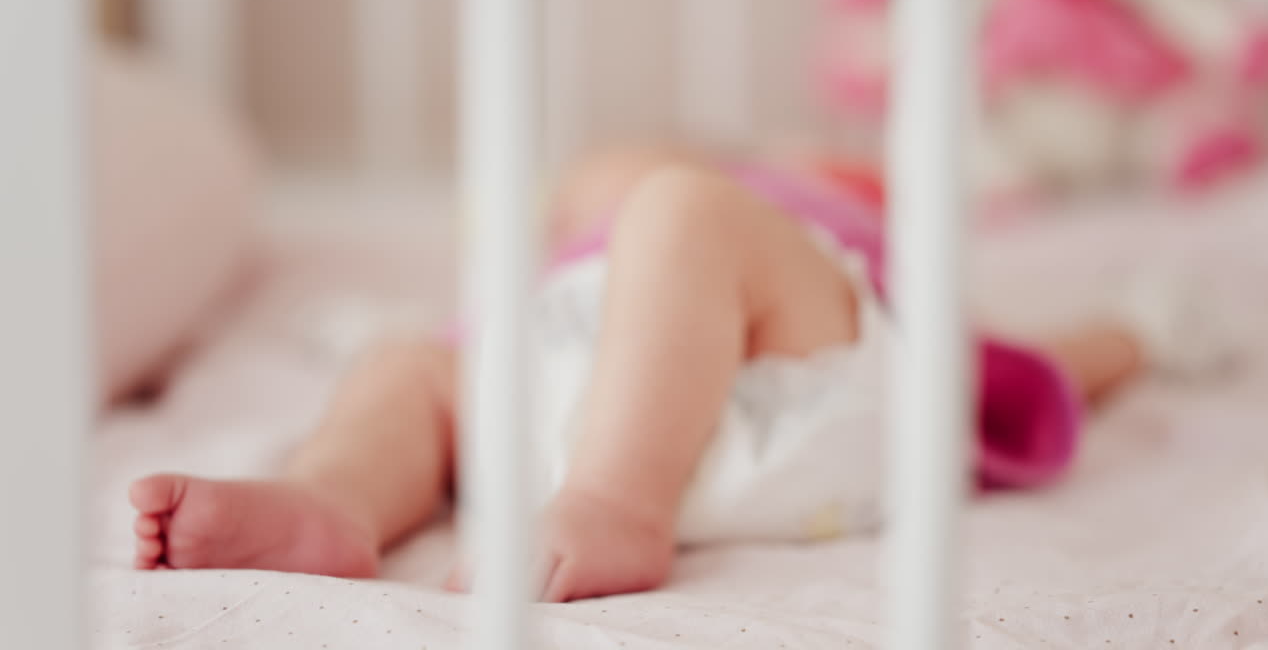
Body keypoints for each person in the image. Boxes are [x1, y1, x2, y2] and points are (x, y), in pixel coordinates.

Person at [129, 147, 1197, 602]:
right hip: (554, 409)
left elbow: (1030, 361)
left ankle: (618, 501)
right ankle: (336, 503)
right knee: (406, 366)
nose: (596, 194)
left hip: (784, 377)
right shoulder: (564, 278)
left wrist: (1135, 331)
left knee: (679, 207)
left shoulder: (781, 220)